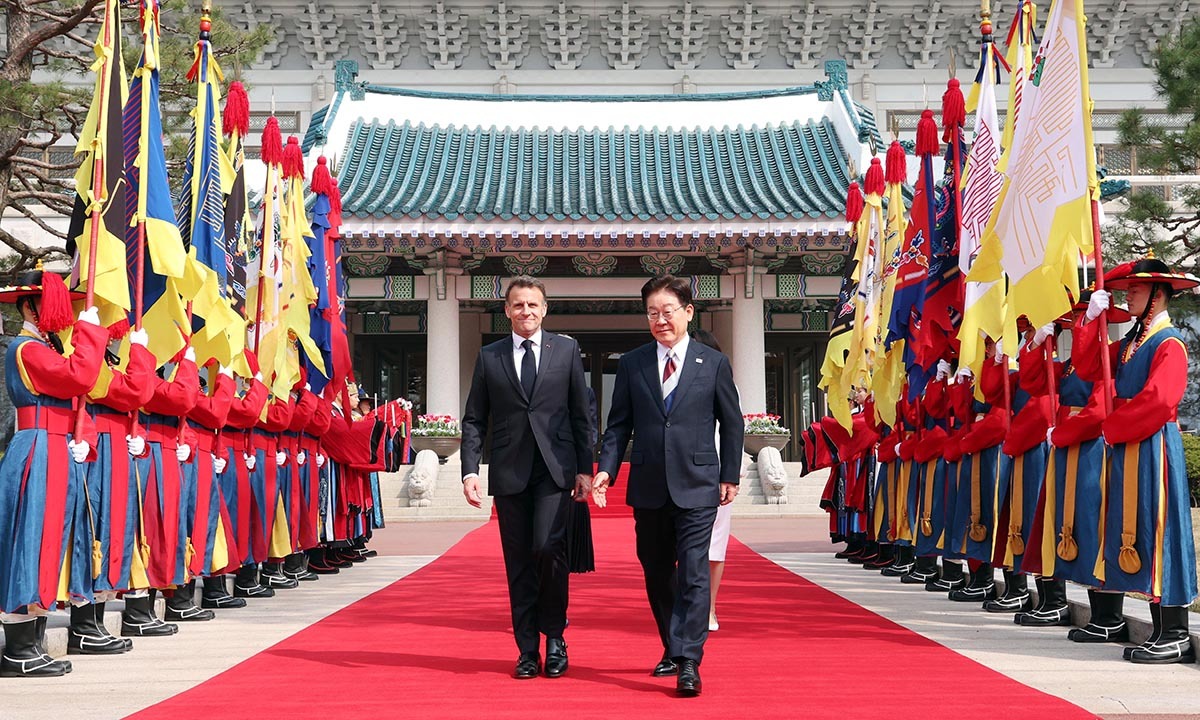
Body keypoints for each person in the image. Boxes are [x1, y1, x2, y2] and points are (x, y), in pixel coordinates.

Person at [593, 275, 743, 697]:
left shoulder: (712, 363)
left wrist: (729, 474)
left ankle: (689, 661)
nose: (661, 320)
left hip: (698, 483)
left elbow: (731, 423)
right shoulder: (633, 363)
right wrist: (607, 467)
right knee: (657, 571)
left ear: (688, 313)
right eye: (652, 313)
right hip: (648, 484)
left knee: (694, 571)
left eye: (668, 311)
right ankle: (673, 645)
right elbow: (618, 424)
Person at [460, 275, 593, 680]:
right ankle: (527, 649)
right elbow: (474, 419)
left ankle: (555, 637)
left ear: (545, 309)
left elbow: (581, 415)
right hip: (510, 471)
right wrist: (469, 470)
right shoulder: (490, 357)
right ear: (507, 311)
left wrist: (586, 469)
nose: (526, 312)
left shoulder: (566, 350)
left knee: (548, 550)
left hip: (555, 471)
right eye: (518, 305)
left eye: (533, 305)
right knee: (518, 562)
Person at [1074, 258, 1198, 663]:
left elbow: (1161, 400)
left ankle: (1175, 631)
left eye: (1136, 291)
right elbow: (1090, 367)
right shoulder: (1130, 343)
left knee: (1162, 532)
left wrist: (1112, 426)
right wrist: (1091, 320)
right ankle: (1157, 627)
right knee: (1138, 530)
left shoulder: (1169, 343)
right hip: (1130, 443)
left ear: (1158, 295)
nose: (1128, 295)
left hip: (1152, 444)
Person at [0, 267, 104, 677]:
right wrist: (90, 336)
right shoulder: (28, 349)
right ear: (29, 306)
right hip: (38, 448)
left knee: (50, 541)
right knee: (31, 539)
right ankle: (19, 647)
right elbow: (78, 375)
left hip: (55, 447)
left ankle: (34, 640)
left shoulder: (44, 346)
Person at [688, 329, 748, 633]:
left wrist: (729, 472)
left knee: (715, 545)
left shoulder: (718, 374)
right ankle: (685, 606)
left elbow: (732, 425)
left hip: (714, 474)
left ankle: (709, 608)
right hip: (680, 473)